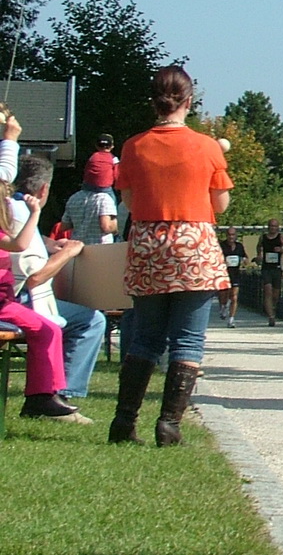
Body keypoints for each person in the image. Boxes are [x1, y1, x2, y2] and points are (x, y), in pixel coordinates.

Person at [109, 65, 233, 445]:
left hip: (148, 243)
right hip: (194, 245)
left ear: (154, 102)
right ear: (189, 101)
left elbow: (127, 199)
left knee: (145, 337)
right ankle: (169, 425)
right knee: (188, 341)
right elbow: (222, 204)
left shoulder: (133, 146)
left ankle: (123, 422)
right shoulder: (208, 147)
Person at [8, 154, 106, 402]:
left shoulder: (10, 207)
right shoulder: (26, 212)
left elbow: (23, 242)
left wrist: (51, 244)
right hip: (21, 301)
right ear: (44, 189)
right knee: (91, 321)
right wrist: (69, 253)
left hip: (11, 297)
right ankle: (59, 394)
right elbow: (35, 278)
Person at [0, 169, 84, 423]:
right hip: (2, 304)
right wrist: (35, 212)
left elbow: (17, 244)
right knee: (47, 330)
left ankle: (47, 393)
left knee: (49, 329)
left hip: (6, 301)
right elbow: (20, 245)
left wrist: (35, 215)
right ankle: (43, 396)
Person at [257, 218, 283, 326]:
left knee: (275, 295)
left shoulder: (281, 238)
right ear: (268, 227)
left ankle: (273, 308)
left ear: (278, 227)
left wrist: (282, 250)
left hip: (276, 268)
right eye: (271, 226)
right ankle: (271, 317)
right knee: (267, 291)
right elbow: (258, 246)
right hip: (266, 268)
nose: (273, 228)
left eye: (275, 226)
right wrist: (259, 255)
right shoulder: (263, 238)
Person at [63, 178, 118, 245]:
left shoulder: (74, 197)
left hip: (77, 248)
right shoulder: (104, 198)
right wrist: (116, 228)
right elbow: (107, 227)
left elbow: (64, 226)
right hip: (100, 248)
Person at [217, 226, 247, 326]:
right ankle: (223, 306)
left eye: (233, 235)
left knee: (234, 297)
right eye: (229, 235)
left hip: (235, 274)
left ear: (236, 236)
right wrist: (222, 261)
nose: (231, 237)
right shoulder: (222, 245)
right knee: (223, 296)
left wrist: (244, 261)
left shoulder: (239, 246)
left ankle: (231, 319)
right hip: (224, 274)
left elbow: (244, 257)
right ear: (226, 235)